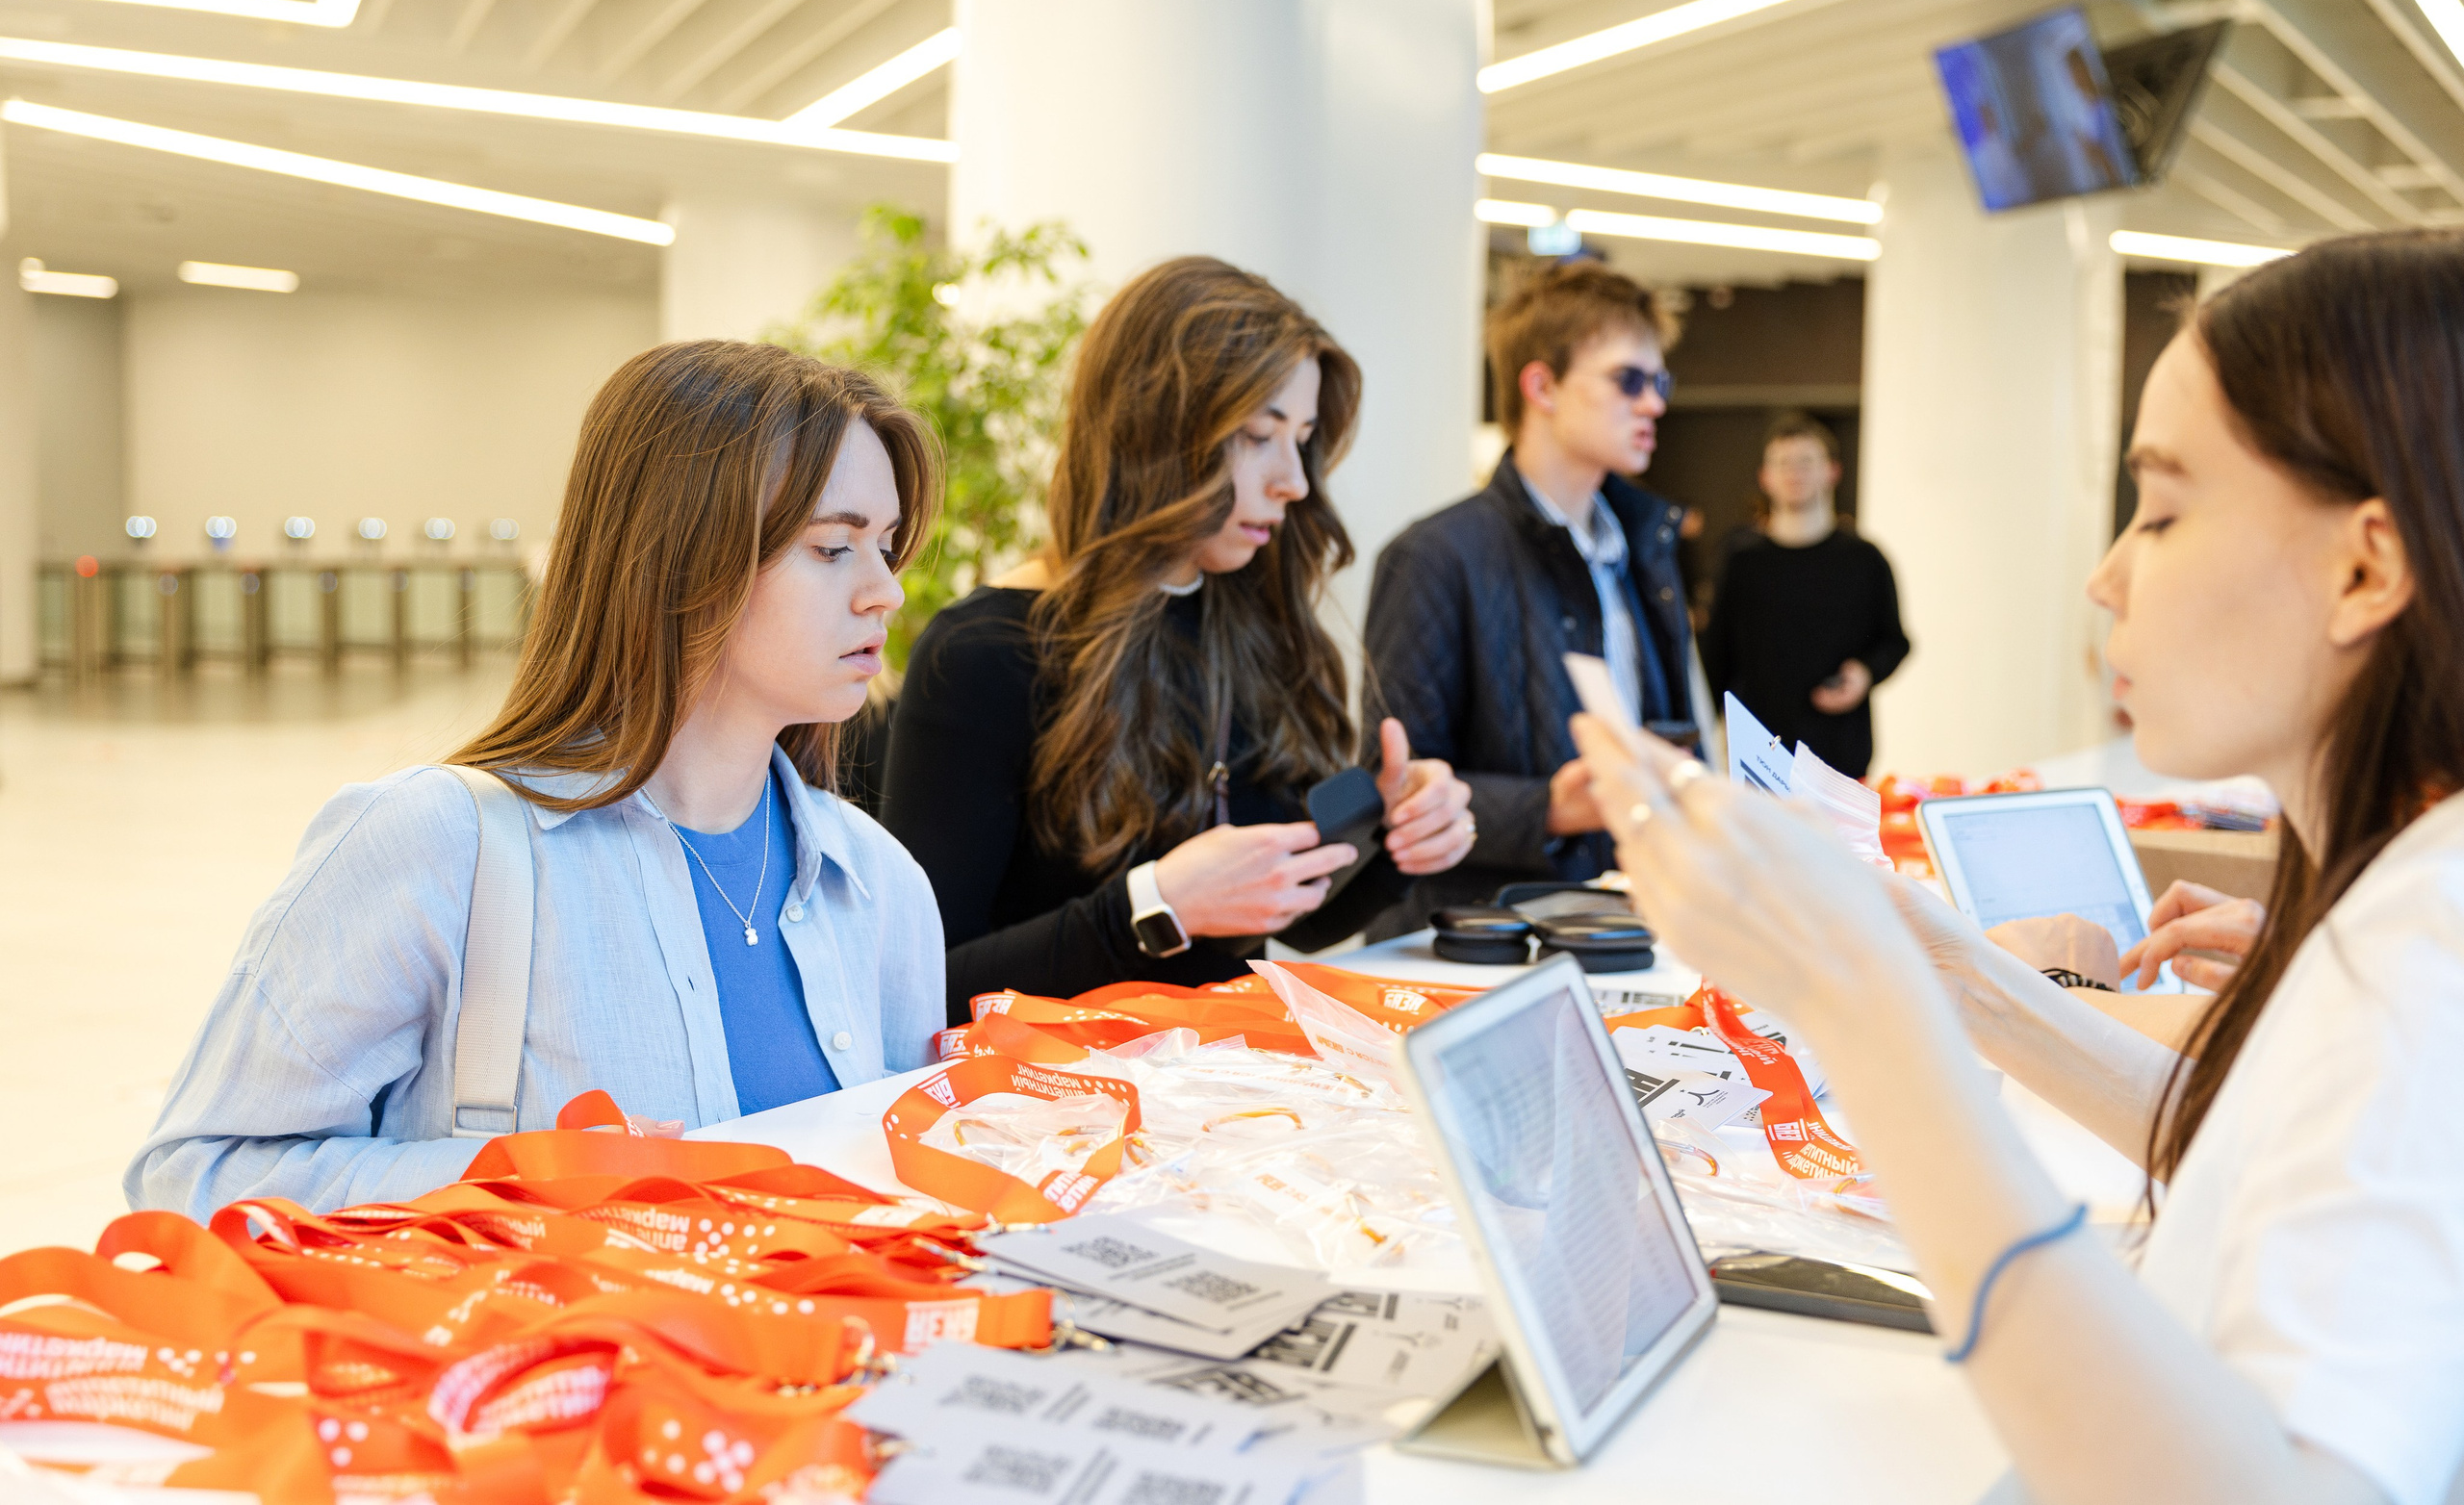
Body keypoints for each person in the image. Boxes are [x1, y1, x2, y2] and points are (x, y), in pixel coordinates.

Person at [1575, 231, 2464, 1505]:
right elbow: (2229, 1137)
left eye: (2161, 510)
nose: (2106, 576)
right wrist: (1945, 964)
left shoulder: (2428, 944)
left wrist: (1866, 1009)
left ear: (2366, 565)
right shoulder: (2402, 893)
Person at [128, 342, 949, 1219]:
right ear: (682, 558)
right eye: (833, 548)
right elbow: (192, 1180)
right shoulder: (442, 844)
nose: (885, 592)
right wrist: (523, 1178)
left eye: (888, 546)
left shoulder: (880, 883)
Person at [882, 257, 1474, 1023]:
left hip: (1219, 1091)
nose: (1293, 480)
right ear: (1154, 432)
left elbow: (1290, 914)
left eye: (1301, 438)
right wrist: (1153, 905)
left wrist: (1396, 838)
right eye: (1259, 436)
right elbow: (923, 983)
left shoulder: (1248, 624)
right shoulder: (983, 652)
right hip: (1048, 1114)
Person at [1358, 259, 1706, 936]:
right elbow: (1396, 786)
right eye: (1627, 380)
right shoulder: (1434, 556)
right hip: (1472, 943)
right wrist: (1549, 806)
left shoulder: (1644, 546)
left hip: (1622, 922)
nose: (1654, 403)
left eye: (1658, 381)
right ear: (1541, 384)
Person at [1702, 414, 1910, 776]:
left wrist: (1863, 673)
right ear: (1765, 477)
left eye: (1806, 462)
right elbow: (1714, 657)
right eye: (1783, 463)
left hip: (1841, 753)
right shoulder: (1741, 562)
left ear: (1832, 471)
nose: (1794, 473)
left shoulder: (1865, 559)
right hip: (1758, 754)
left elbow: (1894, 641)